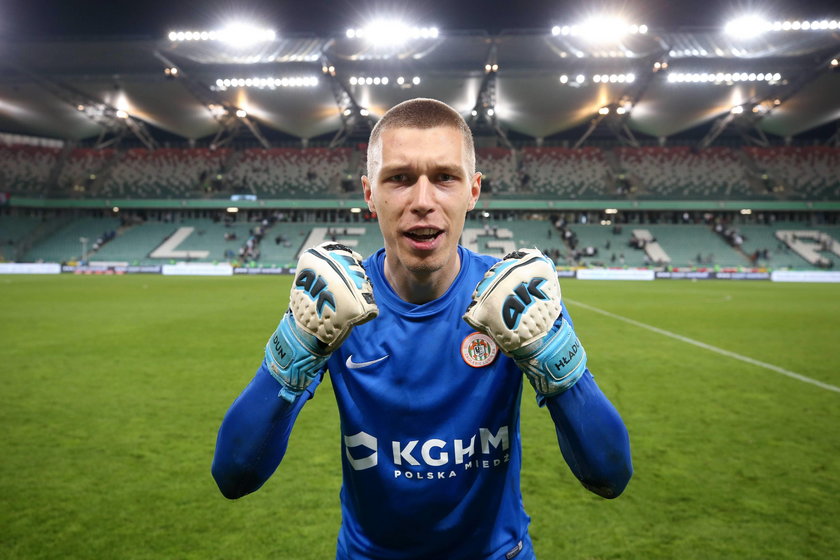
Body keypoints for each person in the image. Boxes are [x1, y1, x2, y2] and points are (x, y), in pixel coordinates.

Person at [212, 98, 632, 560]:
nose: (423, 201)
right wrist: (296, 345)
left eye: (445, 178)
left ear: (473, 191)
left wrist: (554, 355)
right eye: (400, 178)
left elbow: (610, 475)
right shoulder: (336, 297)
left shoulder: (517, 296)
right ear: (369, 194)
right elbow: (234, 475)